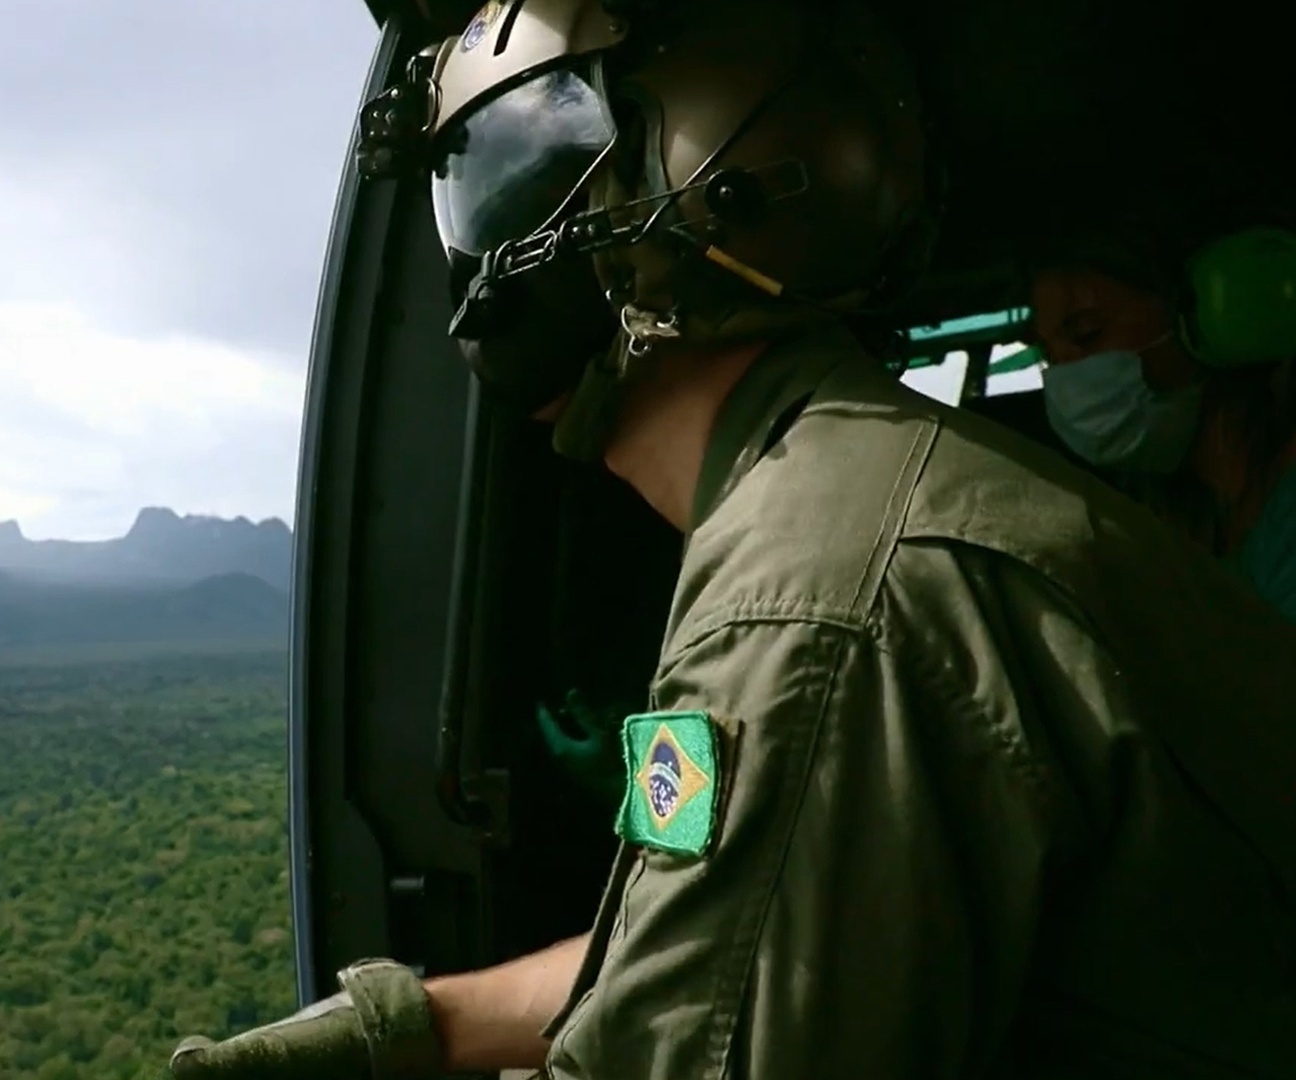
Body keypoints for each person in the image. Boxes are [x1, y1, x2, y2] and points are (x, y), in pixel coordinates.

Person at [173, 0, 1296, 1076]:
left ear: (693, 187)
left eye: (508, 185)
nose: (482, 261)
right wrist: (416, 1024)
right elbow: (716, 959)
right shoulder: (842, 490)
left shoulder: (819, 593)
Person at [1027, 224, 1296, 619]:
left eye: (1086, 333)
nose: (1065, 377)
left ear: (1208, 314)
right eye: (1048, 352)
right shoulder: (1184, 529)